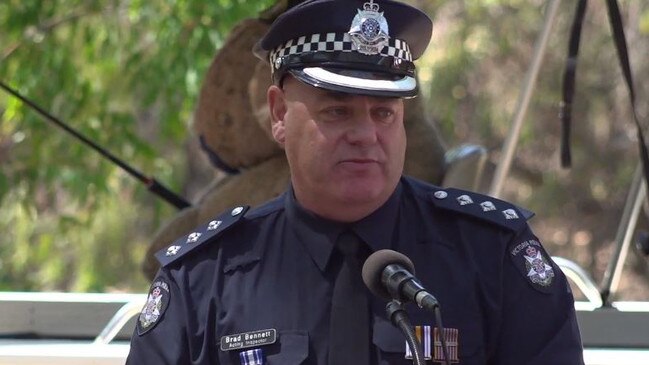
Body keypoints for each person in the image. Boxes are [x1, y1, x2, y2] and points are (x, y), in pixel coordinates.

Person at [126, 0, 585, 364]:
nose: (366, 136)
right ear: (281, 114)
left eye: (384, 112)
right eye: (337, 110)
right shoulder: (205, 277)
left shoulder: (492, 257)